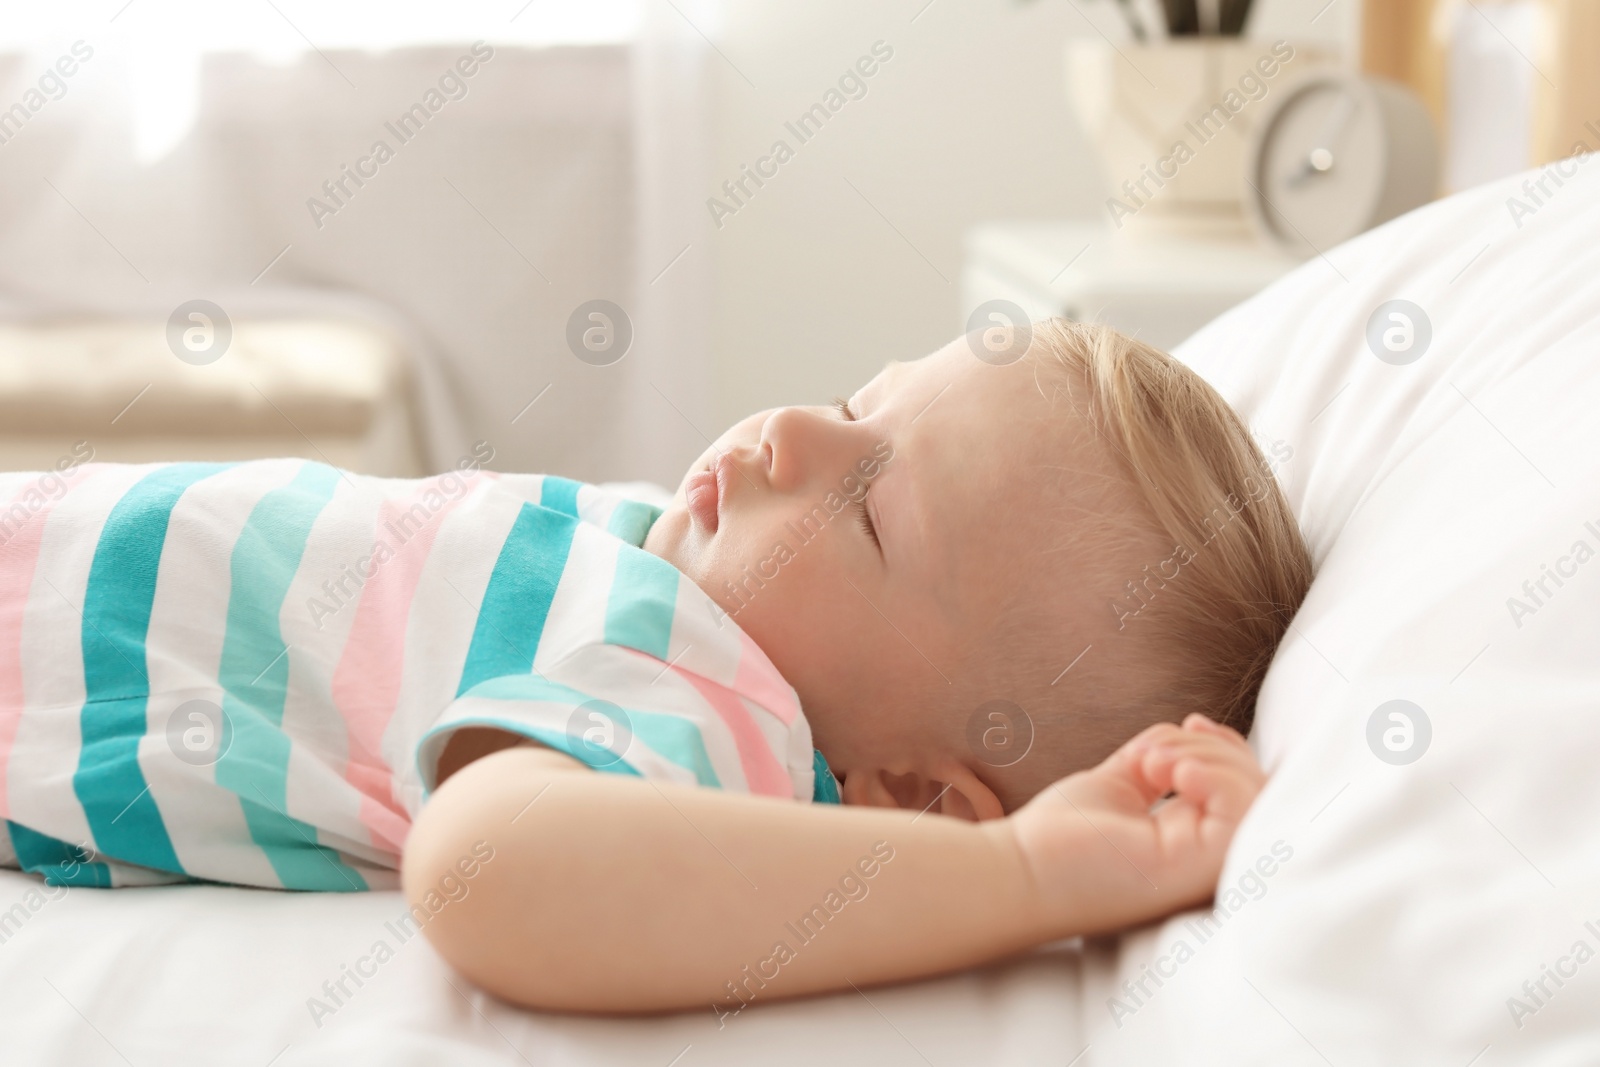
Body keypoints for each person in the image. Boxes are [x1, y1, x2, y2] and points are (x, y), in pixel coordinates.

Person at [0, 318, 1312, 1015]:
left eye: (866, 512)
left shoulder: (703, 698)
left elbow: (490, 869)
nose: (789, 429)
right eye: (861, 408)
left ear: (912, 798)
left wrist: (1020, 879)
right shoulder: (676, 568)